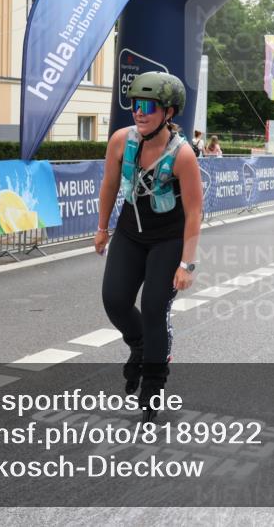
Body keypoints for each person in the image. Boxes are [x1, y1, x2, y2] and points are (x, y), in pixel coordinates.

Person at [96, 72, 202, 420]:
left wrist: (186, 264)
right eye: (133, 105)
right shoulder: (120, 141)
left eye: (147, 107)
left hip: (167, 239)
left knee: (154, 308)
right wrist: (102, 228)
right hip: (130, 232)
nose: (138, 113)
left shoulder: (183, 155)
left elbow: (194, 211)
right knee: (114, 300)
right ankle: (139, 345)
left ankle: (153, 383)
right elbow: (110, 185)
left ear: (169, 113)